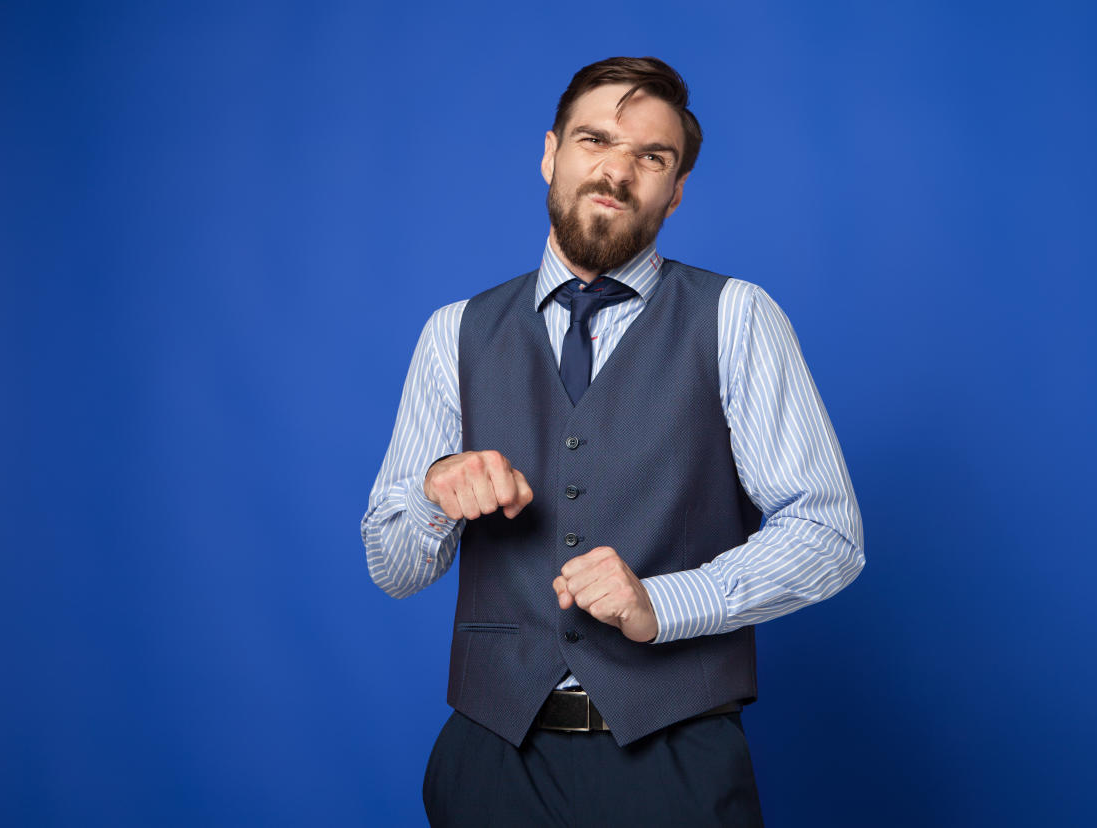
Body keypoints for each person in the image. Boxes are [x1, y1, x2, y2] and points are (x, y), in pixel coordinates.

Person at [362, 56, 864, 827]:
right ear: (550, 153)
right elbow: (393, 569)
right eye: (594, 140)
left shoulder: (737, 317)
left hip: (674, 764)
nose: (617, 171)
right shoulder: (453, 333)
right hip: (492, 763)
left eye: (651, 156)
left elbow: (829, 535)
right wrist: (436, 497)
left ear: (678, 187)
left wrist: (663, 602)